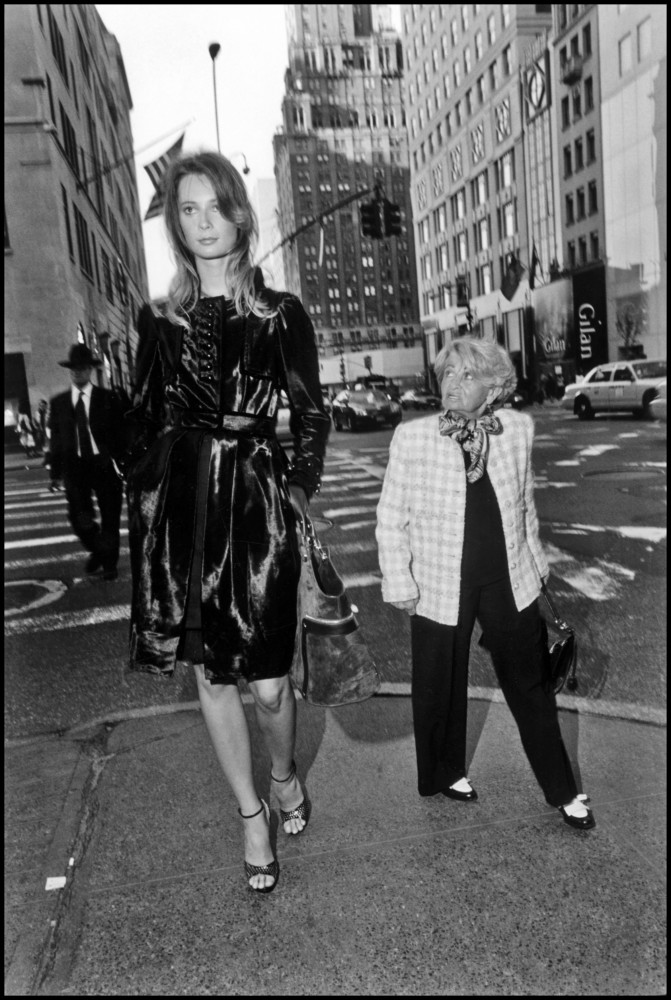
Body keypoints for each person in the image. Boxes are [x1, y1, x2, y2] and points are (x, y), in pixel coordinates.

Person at [124, 151, 330, 893]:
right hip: (184, 511)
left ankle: (282, 774)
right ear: (175, 226)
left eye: (214, 205)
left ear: (240, 214)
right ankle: (250, 815)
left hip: (256, 506)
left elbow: (310, 414)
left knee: (270, 685)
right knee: (211, 675)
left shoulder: (279, 313)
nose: (203, 221)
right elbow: (145, 417)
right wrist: (133, 469)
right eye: (188, 209)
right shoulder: (159, 320)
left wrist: (298, 487)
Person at [376, 336, 595, 831]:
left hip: (507, 577)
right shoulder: (413, 437)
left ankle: (562, 790)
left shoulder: (516, 429)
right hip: (437, 579)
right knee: (437, 683)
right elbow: (391, 516)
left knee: (530, 685)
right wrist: (399, 579)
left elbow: (524, 503)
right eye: (448, 373)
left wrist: (537, 566)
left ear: (494, 388)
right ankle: (443, 773)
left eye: (467, 374)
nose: (453, 383)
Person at [48, 344, 127, 580]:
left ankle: (109, 564)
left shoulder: (108, 398)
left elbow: (121, 434)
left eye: (82, 368)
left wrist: (123, 462)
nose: (77, 372)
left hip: (103, 465)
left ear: (90, 370)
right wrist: (55, 474)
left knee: (110, 516)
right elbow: (56, 440)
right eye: (73, 368)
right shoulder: (59, 403)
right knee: (79, 517)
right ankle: (99, 550)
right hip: (75, 467)